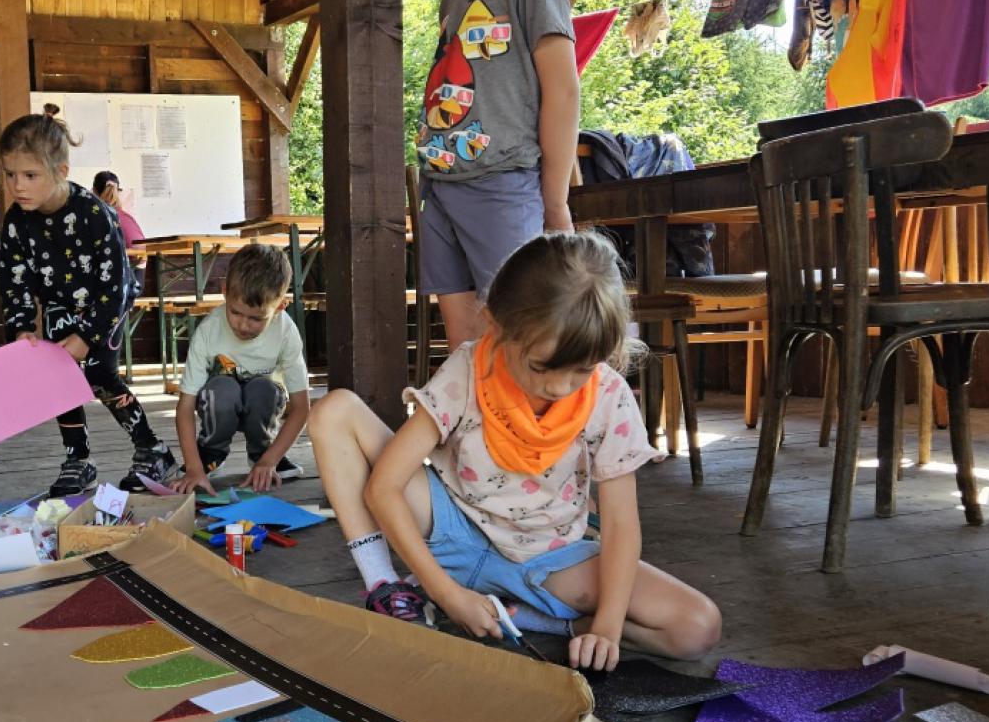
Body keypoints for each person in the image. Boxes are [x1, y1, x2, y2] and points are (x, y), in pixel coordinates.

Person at [308, 232, 721, 669]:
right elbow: (385, 487)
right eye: (541, 367)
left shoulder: (610, 395)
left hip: (551, 561)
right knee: (334, 411)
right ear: (497, 326)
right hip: (451, 531)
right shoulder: (469, 369)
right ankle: (388, 588)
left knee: (697, 627)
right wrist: (447, 596)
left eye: (581, 370)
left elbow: (621, 525)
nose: (559, 387)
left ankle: (534, 620)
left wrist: (606, 627)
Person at [388, 0, 578, 346]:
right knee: (465, 345)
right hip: (441, 185)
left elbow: (563, 89)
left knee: (519, 338)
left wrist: (555, 201)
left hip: (503, 183)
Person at [0, 113, 177, 497]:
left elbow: (115, 283)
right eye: (10, 174)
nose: (17, 185)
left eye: (30, 175)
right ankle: (78, 459)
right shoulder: (15, 221)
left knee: (98, 373)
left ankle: (152, 449)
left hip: (105, 305)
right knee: (57, 377)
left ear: (60, 171)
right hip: (59, 306)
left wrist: (87, 336)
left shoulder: (94, 213)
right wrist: (21, 327)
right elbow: (14, 278)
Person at [175, 243, 309, 494]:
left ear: (281, 306)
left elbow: (301, 407)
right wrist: (193, 467)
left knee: (263, 389)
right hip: (221, 401)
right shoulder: (208, 331)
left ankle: (263, 454)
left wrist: (270, 460)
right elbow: (185, 406)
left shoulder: (286, 332)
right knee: (222, 388)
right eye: (236, 313)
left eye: (256, 318)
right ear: (224, 292)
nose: (243, 326)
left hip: (263, 400)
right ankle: (211, 453)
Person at [92, 170, 145, 250]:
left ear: (94, 191)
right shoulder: (125, 218)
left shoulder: (92, 219)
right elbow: (141, 249)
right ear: (118, 192)